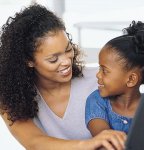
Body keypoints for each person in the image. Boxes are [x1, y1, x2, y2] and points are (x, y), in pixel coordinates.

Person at [0, 4, 126, 150]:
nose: (67, 61)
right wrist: (91, 143)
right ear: (29, 61)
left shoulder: (100, 80)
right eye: (53, 59)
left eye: (68, 50)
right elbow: (34, 142)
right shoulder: (12, 97)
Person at [85, 21, 144, 137]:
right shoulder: (96, 101)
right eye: (100, 68)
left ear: (131, 79)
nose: (98, 75)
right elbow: (105, 140)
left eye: (104, 70)